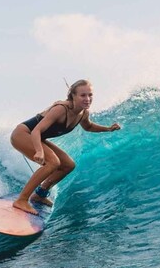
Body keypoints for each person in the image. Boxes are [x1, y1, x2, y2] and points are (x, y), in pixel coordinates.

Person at [10, 79, 120, 214]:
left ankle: (40, 194)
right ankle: (21, 200)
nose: (87, 99)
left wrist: (108, 129)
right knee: (53, 162)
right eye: (83, 95)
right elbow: (36, 130)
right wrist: (39, 151)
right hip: (23, 134)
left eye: (90, 95)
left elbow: (89, 126)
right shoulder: (60, 109)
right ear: (73, 95)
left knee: (68, 165)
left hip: (37, 137)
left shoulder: (83, 113)